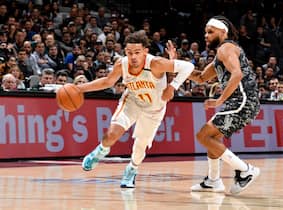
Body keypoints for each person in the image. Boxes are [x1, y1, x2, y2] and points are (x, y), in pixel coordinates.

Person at [78, 31, 194, 188]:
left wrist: (172, 87)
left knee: (140, 145)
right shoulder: (122, 64)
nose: (133, 57)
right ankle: (99, 152)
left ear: (145, 51)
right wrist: (79, 89)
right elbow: (107, 81)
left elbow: (188, 66)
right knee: (110, 135)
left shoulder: (156, 63)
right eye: (129, 52)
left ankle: (131, 169)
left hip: (154, 109)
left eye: (137, 53)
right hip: (132, 102)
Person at [188, 16, 260, 194]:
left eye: (210, 32)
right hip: (241, 101)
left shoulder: (226, 48)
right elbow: (201, 77)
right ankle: (213, 180)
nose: (206, 35)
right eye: (205, 31)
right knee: (212, 139)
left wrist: (219, 100)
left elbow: (237, 75)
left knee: (203, 136)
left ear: (223, 32)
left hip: (243, 100)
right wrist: (177, 65)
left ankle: (245, 170)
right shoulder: (220, 55)